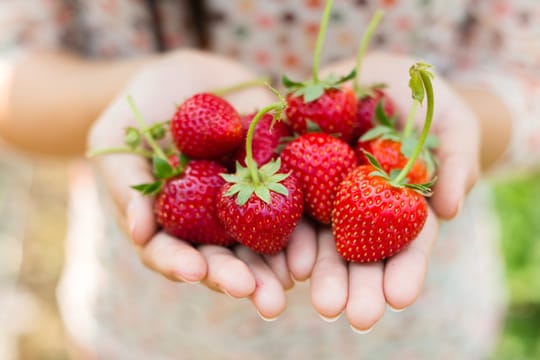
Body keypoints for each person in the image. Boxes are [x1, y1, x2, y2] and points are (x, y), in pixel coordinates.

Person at [1, 0, 539, 359]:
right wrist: (128, 97)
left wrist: (459, 123)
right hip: (157, 328)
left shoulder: (363, 158)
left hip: (413, 331)